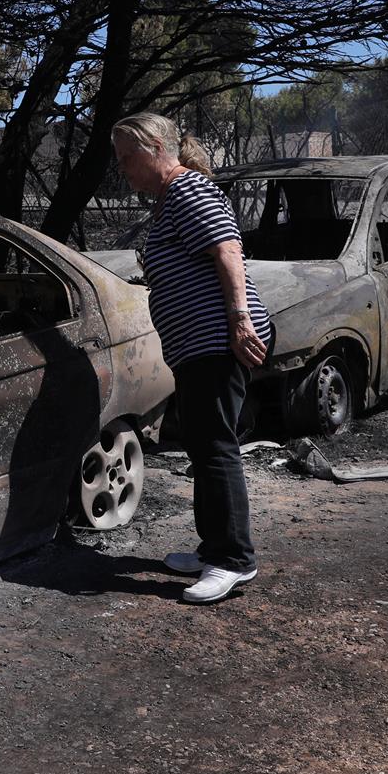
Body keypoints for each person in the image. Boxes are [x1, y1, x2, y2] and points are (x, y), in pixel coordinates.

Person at [110, 112, 273, 605]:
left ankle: (234, 560)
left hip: (217, 341)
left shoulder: (188, 189)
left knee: (216, 446)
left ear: (157, 149)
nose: (123, 168)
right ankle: (214, 548)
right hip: (197, 344)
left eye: (127, 157)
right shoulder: (169, 200)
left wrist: (240, 320)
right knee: (204, 446)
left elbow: (228, 251)